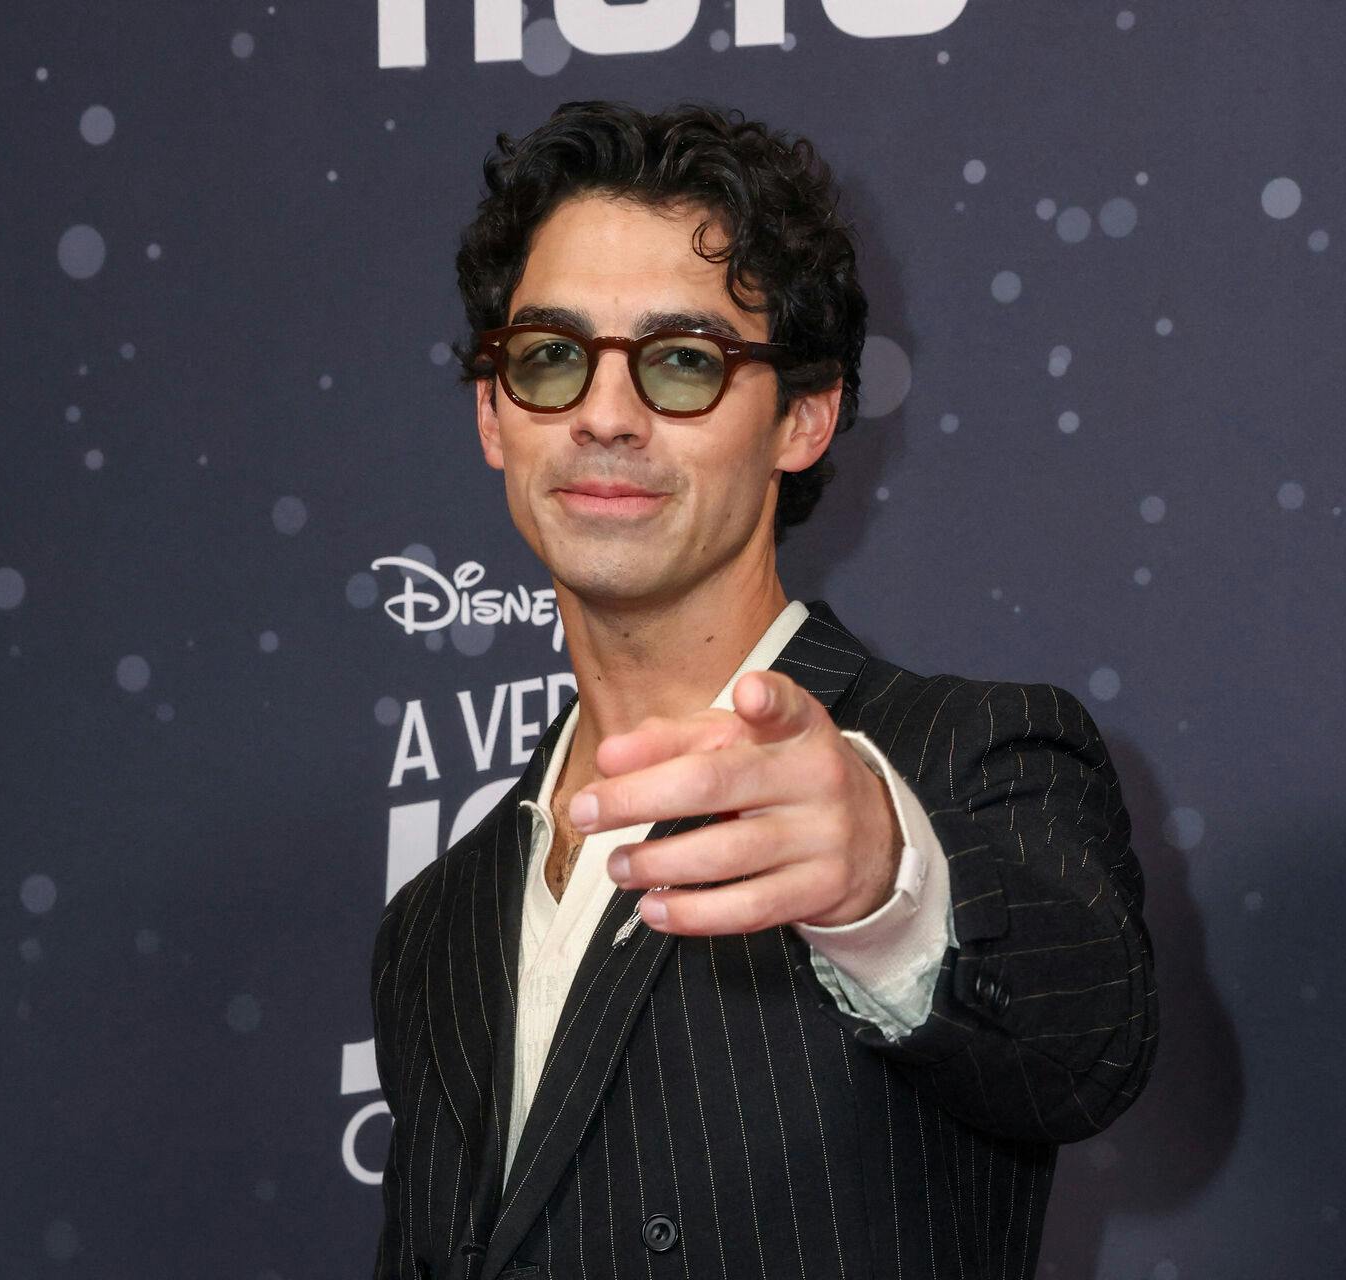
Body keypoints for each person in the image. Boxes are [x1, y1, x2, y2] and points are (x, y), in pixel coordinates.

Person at [370, 99, 1157, 1280]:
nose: (604, 415)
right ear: (493, 412)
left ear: (804, 414)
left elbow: (1087, 1039)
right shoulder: (435, 920)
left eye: (683, 363)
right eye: (549, 357)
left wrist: (890, 884)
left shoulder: (966, 761)